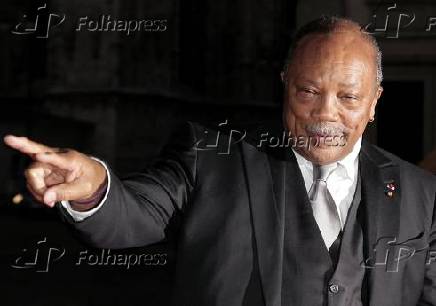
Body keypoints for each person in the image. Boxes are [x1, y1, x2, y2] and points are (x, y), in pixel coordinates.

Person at [4, 16, 436, 306]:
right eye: (308, 91)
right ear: (285, 84)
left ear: (375, 102)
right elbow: (134, 214)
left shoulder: (421, 191)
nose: (325, 113)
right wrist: (97, 188)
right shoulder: (210, 158)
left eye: (348, 98)